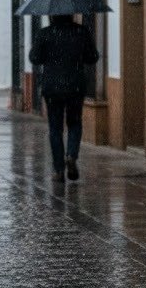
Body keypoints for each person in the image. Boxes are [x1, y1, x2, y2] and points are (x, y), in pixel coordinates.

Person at [29, 13, 99, 183]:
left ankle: (59, 170)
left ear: (52, 15)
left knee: (55, 128)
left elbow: (34, 58)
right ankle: (71, 155)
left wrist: (49, 54)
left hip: (52, 87)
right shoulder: (81, 32)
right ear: (70, 14)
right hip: (75, 85)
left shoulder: (45, 33)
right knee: (74, 122)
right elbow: (93, 57)